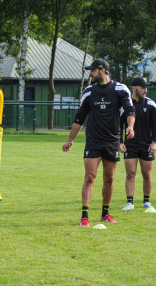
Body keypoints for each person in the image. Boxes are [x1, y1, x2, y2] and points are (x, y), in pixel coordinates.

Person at [62, 59, 135, 227]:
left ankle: (105, 214)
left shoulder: (120, 89)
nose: (90, 73)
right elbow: (80, 117)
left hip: (112, 141)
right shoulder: (88, 91)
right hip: (93, 141)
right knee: (90, 177)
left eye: (93, 70)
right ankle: (84, 217)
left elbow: (130, 110)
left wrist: (130, 126)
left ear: (103, 70)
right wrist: (70, 140)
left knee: (109, 178)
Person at [120, 77, 156, 210]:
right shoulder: (125, 105)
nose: (145, 90)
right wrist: (119, 142)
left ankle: (146, 201)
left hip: (146, 145)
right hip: (130, 145)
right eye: (142, 88)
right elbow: (118, 125)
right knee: (130, 173)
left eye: (146, 88)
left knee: (147, 174)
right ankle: (129, 202)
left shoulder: (151, 104)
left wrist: (154, 142)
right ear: (134, 88)